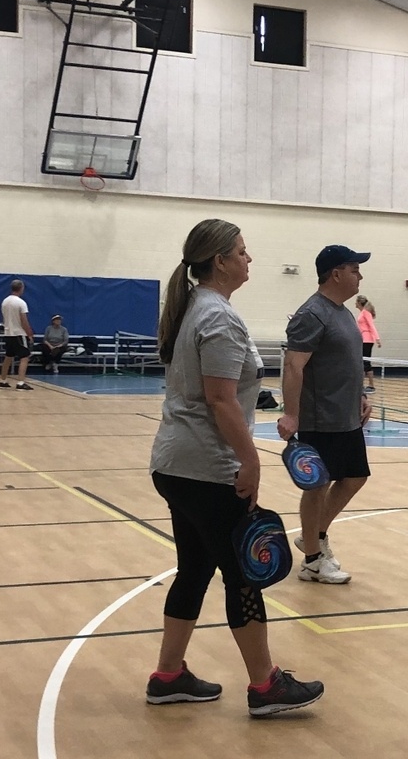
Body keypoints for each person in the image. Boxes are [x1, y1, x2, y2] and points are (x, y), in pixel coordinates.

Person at [147, 218, 323, 717]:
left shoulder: (196, 310)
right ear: (220, 260)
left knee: (196, 568)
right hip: (207, 467)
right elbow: (220, 400)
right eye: (243, 252)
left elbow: (223, 393)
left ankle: (168, 675)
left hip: (176, 465)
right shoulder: (219, 318)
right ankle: (265, 686)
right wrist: (250, 460)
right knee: (243, 574)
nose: (250, 260)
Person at [277, 245, 374, 585]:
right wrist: (291, 415)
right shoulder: (312, 314)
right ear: (335, 274)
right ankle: (314, 560)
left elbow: (345, 360)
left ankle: (313, 534)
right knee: (318, 486)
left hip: (345, 416)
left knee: (355, 476)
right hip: (320, 417)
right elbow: (293, 366)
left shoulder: (343, 312)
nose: (359, 275)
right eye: (353, 269)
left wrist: (361, 394)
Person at [0, 279, 34, 391]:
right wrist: (29, 333)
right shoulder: (21, 303)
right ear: (21, 288)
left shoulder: (5, 301)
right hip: (19, 333)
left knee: (8, 356)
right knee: (25, 356)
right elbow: (24, 320)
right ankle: (20, 382)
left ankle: (3, 380)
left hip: (8, 333)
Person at [355, 294, 380, 392]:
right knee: (362, 361)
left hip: (367, 340)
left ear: (359, 303)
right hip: (363, 339)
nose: (355, 304)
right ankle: (362, 385)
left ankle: (371, 385)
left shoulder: (366, 313)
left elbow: (371, 325)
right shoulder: (362, 312)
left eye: (356, 302)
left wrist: (377, 338)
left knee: (366, 362)